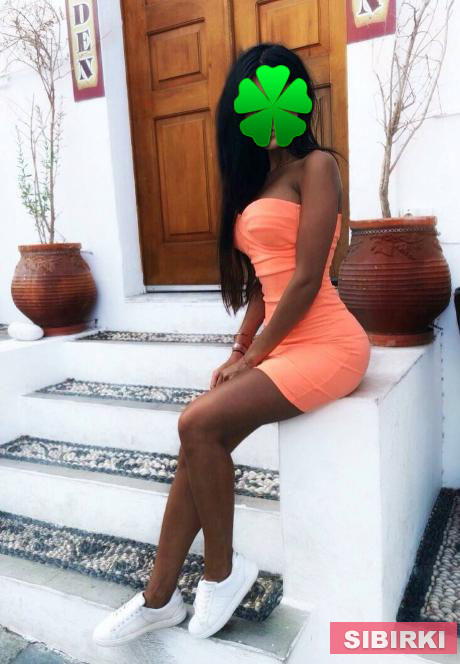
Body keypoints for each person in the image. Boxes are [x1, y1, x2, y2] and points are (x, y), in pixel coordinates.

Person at [92, 42, 371, 647]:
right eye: (255, 98)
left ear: (297, 99)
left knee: (196, 424)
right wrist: (240, 349)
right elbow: (266, 286)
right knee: (198, 442)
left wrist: (255, 357)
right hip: (282, 340)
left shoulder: (317, 167)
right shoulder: (258, 180)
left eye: (279, 92)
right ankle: (159, 597)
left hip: (327, 342)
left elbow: (305, 280)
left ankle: (222, 573)